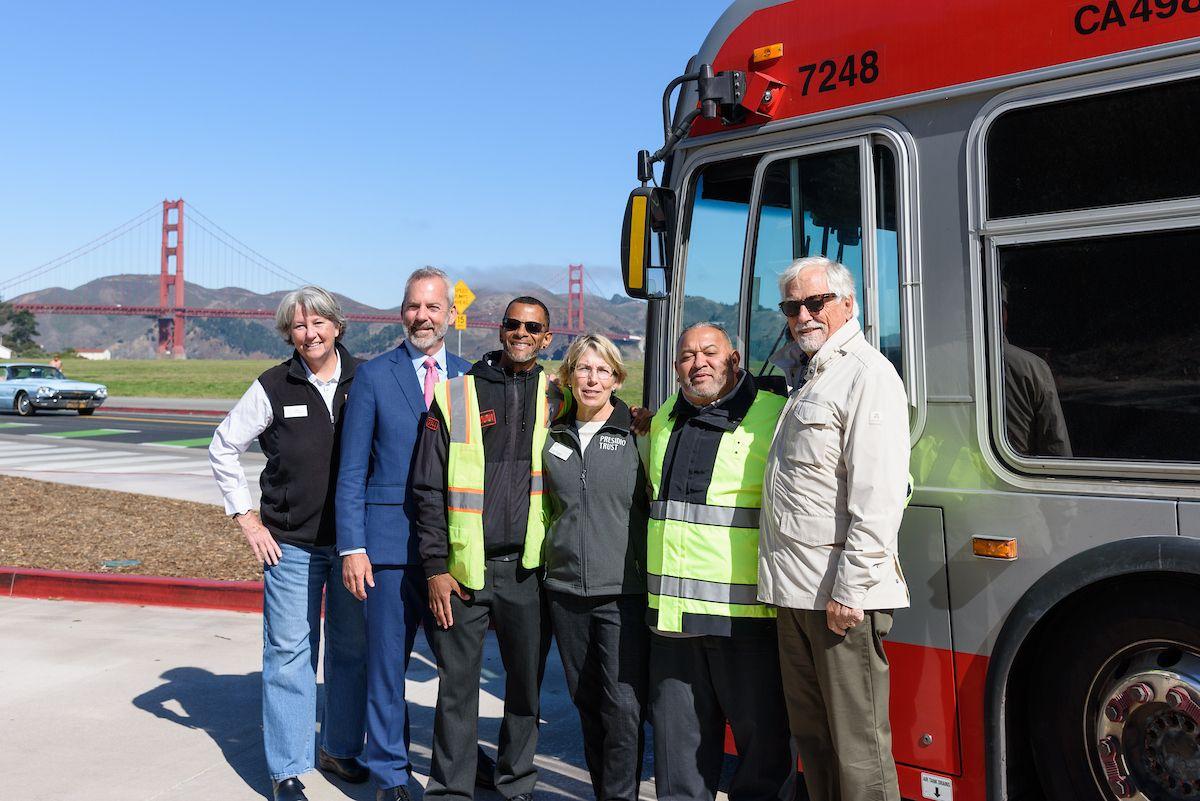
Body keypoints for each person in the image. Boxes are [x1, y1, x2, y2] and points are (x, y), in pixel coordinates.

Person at [336, 267, 494, 801]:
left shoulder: (473, 377)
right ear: (401, 312)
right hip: (385, 550)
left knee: (458, 670)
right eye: (412, 307)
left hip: (451, 552)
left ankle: (459, 762)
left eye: (432, 308)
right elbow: (352, 471)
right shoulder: (374, 377)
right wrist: (352, 547)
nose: (421, 317)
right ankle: (390, 775)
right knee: (387, 671)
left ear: (451, 314)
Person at [759, 256, 910, 801]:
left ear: (848, 303)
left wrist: (850, 591)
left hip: (839, 600)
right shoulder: (809, 375)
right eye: (792, 306)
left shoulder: (868, 374)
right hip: (796, 594)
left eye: (814, 302)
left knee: (859, 752)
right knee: (815, 744)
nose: (802, 315)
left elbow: (880, 493)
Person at [208, 285, 367, 801]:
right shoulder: (273, 385)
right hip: (290, 545)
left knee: (350, 650)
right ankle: (287, 769)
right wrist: (248, 520)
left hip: (353, 546)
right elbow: (224, 444)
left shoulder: (366, 379)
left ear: (337, 326)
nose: (309, 334)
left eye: (318, 323)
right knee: (290, 653)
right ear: (288, 334)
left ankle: (340, 750)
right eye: (298, 326)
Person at [413, 296, 562, 801]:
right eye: (513, 324)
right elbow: (427, 489)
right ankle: (451, 790)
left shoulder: (558, 396)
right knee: (457, 689)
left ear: (547, 338)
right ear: (501, 331)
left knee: (525, 687)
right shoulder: (456, 394)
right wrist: (435, 565)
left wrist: (638, 418)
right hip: (462, 571)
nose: (521, 332)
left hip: (529, 570)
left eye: (533, 327)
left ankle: (515, 782)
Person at [645, 322, 795, 801]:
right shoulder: (666, 416)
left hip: (745, 624)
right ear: (675, 368)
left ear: (735, 359)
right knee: (678, 761)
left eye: (710, 352)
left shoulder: (775, 417)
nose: (698, 363)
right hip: (673, 626)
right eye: (687, 356)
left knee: (761, 760)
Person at [542, 334, 649, 801]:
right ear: (569, 377)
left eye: (603, 370)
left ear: (617, 378)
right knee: (586, 701)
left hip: (622, 591)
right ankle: (604, 790)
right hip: (565, 590)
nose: (592, 378)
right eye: (583, 369)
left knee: (622, 705)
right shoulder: (550, 435)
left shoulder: (638, 433)